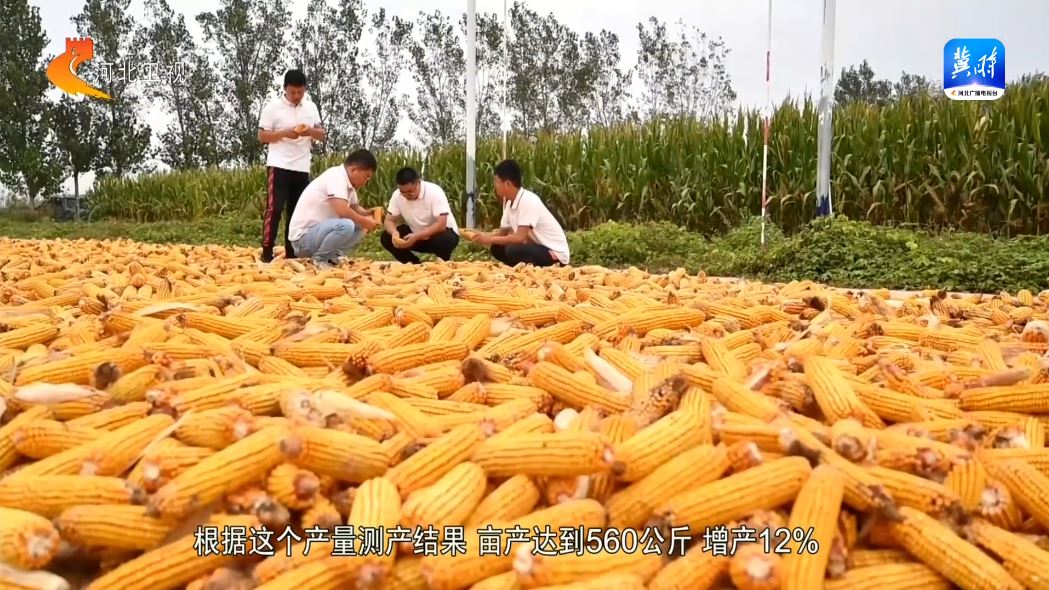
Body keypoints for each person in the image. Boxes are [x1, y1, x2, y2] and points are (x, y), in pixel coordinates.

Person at [257, 69, 326, 263]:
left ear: (304, 90)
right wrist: (285, 133)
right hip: (278, 164)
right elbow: (262, 136)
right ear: (285, 89)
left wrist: (309, 131)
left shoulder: (311, 107)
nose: (296, 96)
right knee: (275, 208)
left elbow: (321, 135)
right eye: (293, 92)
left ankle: (291, 252)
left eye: (300, 92)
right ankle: (267, 250)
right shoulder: (273, 108)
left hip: (302, 166)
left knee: (297, 211)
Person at [464, 159, 570, 267]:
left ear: (507, 184)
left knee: (512, 249)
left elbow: (519, 238)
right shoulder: (509, 202)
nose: (494, 185)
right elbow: (502, 234)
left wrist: (488, 239)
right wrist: (480, 236)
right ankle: (521, 270)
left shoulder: (527, 200)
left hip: (554, 253)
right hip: (536, 248)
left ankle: (534, 270)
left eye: (496, 181)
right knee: (496, 248)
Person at [287, 149, 381, 269]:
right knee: (347, 225)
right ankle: (320, 259)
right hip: (303, 240)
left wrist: (367, 213)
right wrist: (364, 221)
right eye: (366, 177)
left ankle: (332, 256)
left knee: (359, 226)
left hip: (319, 234)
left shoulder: (349, 185)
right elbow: (342, 210)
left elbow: (355, 207)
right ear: (353, 169)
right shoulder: (336, 176)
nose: (366, 182)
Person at [379, 167, 460, 263]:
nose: (406, 195)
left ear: (418, 182)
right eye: (403, 192)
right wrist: (394, 233)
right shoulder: (397, 195)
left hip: (440, 234)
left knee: (443, 240)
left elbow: (441, 225)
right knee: (386, 237)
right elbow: (389, 220)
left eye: (410, 192)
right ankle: (413, 264)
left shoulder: (434, 192)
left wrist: (416, 236)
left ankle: (442, 264)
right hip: (416, 235)